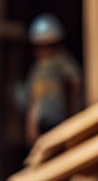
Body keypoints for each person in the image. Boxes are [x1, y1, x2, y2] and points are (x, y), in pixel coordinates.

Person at [24, 12, 82, 146]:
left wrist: (73, 112)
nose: (43, 51)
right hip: (42, 120)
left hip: (59, 118)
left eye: (48, 46)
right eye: (40, 46)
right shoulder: (37, 69)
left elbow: (74, 84)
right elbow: (32, 98)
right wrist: (30, 125)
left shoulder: (62, 62)